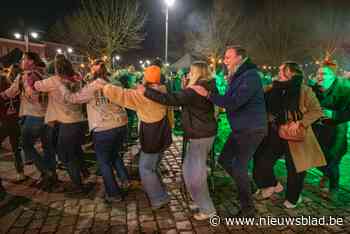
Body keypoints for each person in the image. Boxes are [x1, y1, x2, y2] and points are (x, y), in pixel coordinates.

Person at [190, 46, 268, 216]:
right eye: (225, 57)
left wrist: (208, 95)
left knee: (239, 167)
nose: (225, 61)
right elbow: (229, 99)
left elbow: (233, 102)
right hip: (241, 128)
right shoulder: (238, 75)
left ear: (240, 58)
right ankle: (249, 186)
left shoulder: (251, 76)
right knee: (225, 160)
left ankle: (248, 208)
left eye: (228, 57)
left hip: (252, 129)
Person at [137, 61, 217, 220]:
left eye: (191, 72)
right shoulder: (207, 85)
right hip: (203, 133)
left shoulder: (194, 90)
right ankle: (198, 201)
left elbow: (171, 99)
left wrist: (145, 91)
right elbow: (184, 99)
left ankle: (207, 209)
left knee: (193, 174)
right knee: (190, 171)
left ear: (198, 73)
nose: (188, 74)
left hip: (200, 135)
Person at [94, 65, 172, 209]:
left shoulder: (144, 95)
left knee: (145, 168)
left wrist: (104, 86)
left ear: (146, 78)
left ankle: (159, 198)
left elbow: (123, 95)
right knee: (154, 165)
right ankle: (160, 191)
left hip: (152, 133)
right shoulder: (162, 90)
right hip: (162, 132)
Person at [253, 62, 326, 209]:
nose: (278, 72)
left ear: (292, 73)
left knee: (295, 169)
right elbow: (260, 102)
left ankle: (293, 197)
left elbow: (316, 111)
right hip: (275, 133)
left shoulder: (304, 90)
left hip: (295, 135)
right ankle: (272, 184)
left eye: (282, 70)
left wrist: (299, 123)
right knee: (262, 161)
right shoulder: (273, 87)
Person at [60, 60, 129, 202]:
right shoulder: (115, 82)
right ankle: (125, 180)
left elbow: (74, 98)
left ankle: (113, 194)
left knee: (104, 162)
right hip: (121, 124)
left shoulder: (93, 86)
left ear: (93, 71)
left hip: (103, 127)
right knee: (114, 154)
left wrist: (61, 86)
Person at [34, 57, 87, 195]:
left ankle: (78, 186)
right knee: (74, 150)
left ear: (55, 69)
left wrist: (37, 73)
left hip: (67, 123)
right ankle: (83, 172)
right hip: (79, 121)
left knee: (65, 156)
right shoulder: (76, 79)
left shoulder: (54, 80)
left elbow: (36, 85)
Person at [0, 52, 50, 188]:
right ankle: (51, 175)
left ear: (31, 61)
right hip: (48, 116)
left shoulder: (24, 77)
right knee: (47, 148)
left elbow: (10, 93)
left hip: (33, 116)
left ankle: (46, 172)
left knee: (26, 145)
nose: (21, 61)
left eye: (24, 59)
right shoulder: (44, 74)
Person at [311, 60, 350, 192]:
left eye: (324, 74)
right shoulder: (314, 89)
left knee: (332, 160)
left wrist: (334, 115)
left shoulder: (345, 89)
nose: (319, 76)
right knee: (316, 158)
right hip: (318, 129)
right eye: (318, 73)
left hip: (337, 131)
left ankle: (334, 189)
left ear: (333, 76)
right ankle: (326, 174)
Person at [0, 64, 23, 182]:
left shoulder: (5, 84)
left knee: (16, 147)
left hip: (6, 121)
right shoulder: (18, 85)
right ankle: (20, 172)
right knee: (15, 147)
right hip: (14, 120)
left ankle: (20, 171)